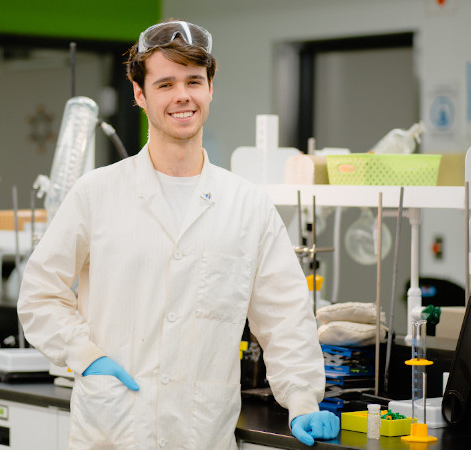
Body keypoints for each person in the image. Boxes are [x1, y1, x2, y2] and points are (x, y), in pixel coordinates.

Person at [18, 19, 339, 448]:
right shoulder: (97, 194)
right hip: (113, 429)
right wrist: (86, 358)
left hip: (200, 433)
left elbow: (284, 318)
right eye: (165, 84)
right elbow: (40, 294)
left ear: (210, 88)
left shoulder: (248, 206)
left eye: (193, 81)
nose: (182, 96)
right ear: (140, 94)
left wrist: (303, 399)